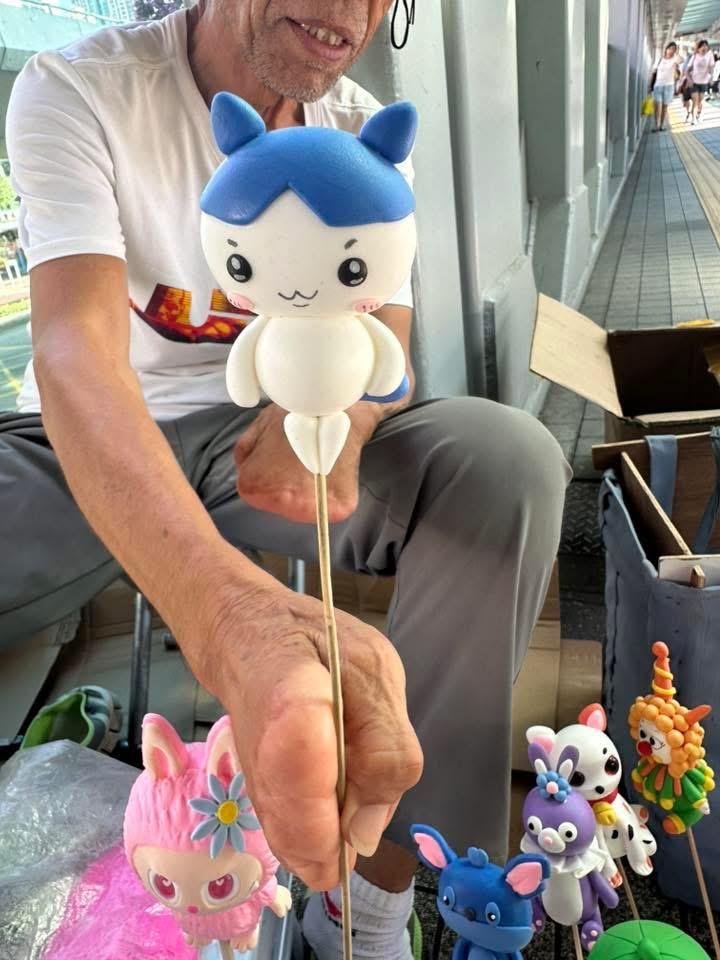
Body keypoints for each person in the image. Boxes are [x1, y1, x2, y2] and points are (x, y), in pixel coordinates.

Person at [3, 2, 569, 958]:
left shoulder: (361, 133)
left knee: (505, 466)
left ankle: (373, 902)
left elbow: (384, 327)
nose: (348, 9)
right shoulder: (82, 89)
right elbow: (75, 350)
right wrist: (231, 622)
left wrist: (343, 426)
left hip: (281, 424)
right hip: (87, 440)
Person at [652, 41, 679, 132]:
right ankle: (656, 125)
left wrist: (676, 56)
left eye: (674, 49)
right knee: (657, 106)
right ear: (666, 49)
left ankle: (662, 125)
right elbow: (654, 72)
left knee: (664, 107)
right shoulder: (660, 59)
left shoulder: (675, 60)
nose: (671, 51)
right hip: (658, 86)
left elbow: (681, 60)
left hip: (669, 86)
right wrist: (649, 85)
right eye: (670, 48)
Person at [690, 39, 714, 124]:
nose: (704, 47)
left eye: (706, 46)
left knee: (700, 101)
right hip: (694, 82)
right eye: (702, 46)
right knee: (695, 101)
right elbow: (689, 67)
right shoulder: (695, 56)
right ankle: (693, 119)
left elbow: (711, 67)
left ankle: (699, 115)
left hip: (704, 82)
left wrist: (711, 78)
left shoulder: (709, 55)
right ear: (699, 48)